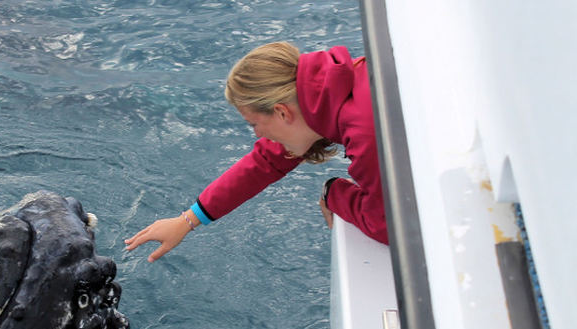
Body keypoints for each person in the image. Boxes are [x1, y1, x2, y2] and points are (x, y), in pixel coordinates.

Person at [124, 42, 387, 263]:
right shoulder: (329, 91)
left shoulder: (367, 133)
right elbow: (265, 162)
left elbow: (386, 225)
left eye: (254, 124)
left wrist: (335, 193)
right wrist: (187, 221)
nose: (258, 135)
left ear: (282, 112)